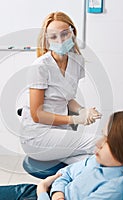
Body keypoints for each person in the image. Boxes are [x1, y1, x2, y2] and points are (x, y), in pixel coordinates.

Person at [20, 11, 102, 164]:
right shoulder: (40, 67)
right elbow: (37, 115)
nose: (60, 40)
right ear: (47, 40)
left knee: (91, 161)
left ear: (72, 33)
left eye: (65, 34)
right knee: (100, 143)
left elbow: (67, 98)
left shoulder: (77, 61)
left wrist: (83, 110)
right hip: (38, 135)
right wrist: (76, 119)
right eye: (53, 37)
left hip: (60, 131)